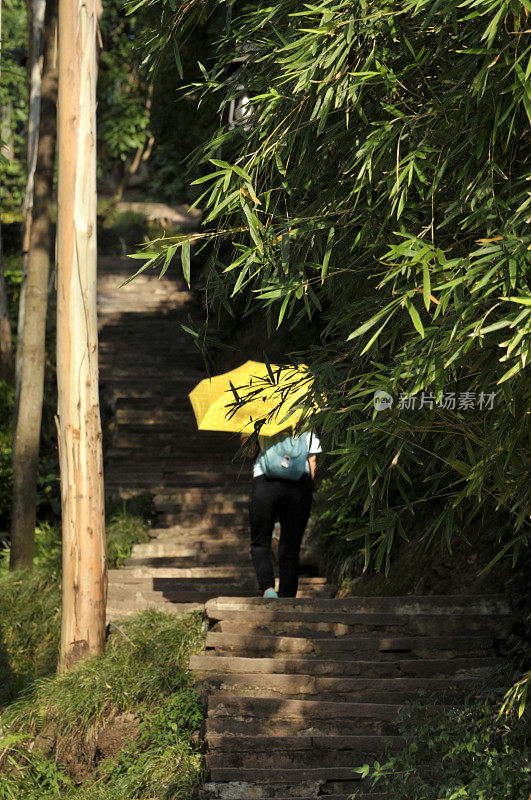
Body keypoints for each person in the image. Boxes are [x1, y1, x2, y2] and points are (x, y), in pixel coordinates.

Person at [243, 430, 321, 598]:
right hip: (300, 485)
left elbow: (248, 452)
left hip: (265, 482)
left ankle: (268, 590)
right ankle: (287, 597)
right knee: (291, 547)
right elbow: (312, 459)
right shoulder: (304, 414)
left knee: (260, 542)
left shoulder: (257, 414)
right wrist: (307, 489)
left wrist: (247, 433)